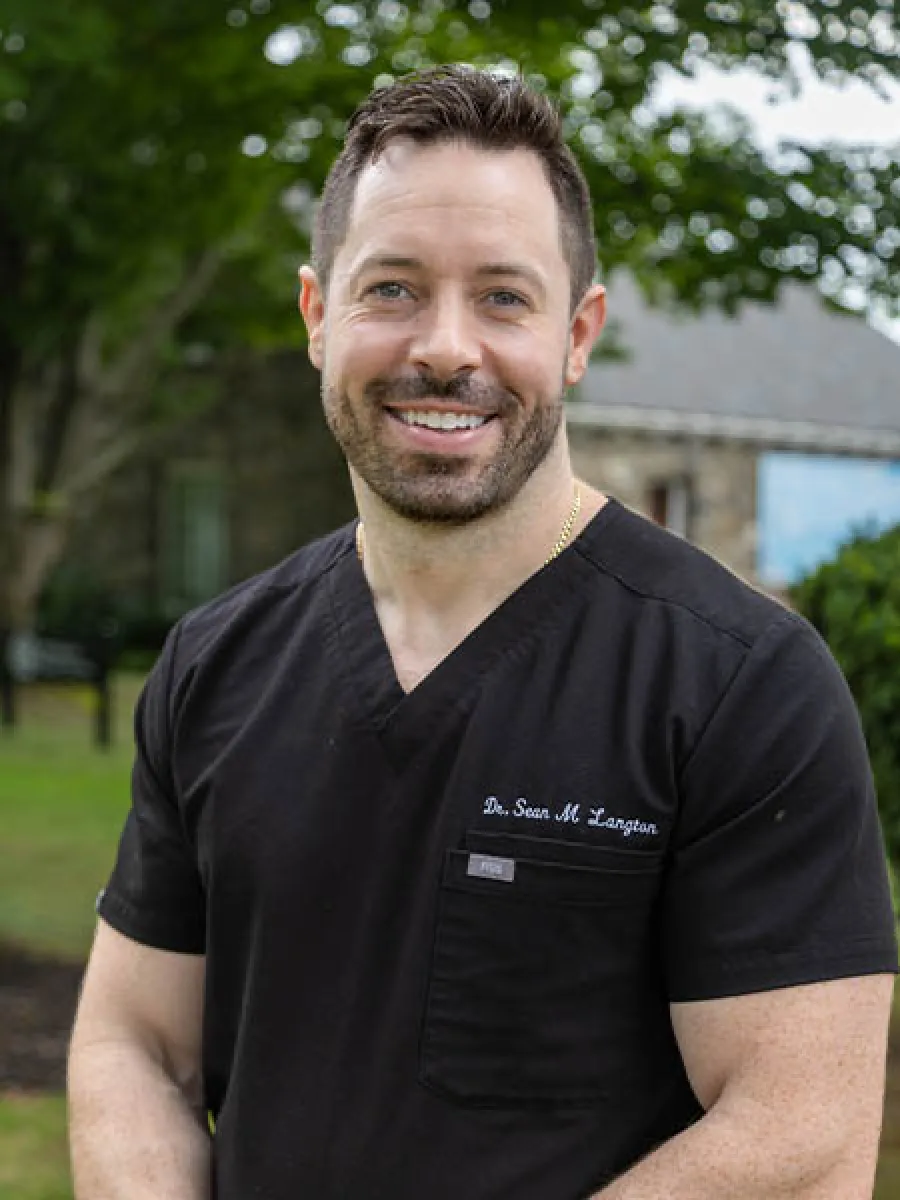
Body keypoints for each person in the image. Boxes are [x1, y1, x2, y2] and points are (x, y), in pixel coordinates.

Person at [68, 66, 897, 1199]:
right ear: (319, 317)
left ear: (578, 333)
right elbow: (136, 1047)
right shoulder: (215, 665)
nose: (446, 347)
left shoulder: (741, 685)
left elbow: (802, 1140)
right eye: (393, 289)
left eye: (504, 297)